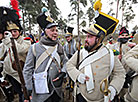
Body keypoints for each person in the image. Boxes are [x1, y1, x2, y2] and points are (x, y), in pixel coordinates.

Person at [66, 9, 126, 102]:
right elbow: (69, 65)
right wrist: (78, 76)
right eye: (86, 36)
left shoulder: (109, 54)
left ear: (98, 39)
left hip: (101, 99)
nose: (86, 39)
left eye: (89, 37)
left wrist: (113, 88)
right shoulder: (80, 53)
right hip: (81, 96)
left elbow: (120, 73)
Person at [23, 10, 68, 102]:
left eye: (56, 30)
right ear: (45, 32)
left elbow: (66, 61)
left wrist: (63, 72)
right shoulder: (34, 48)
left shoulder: (59, 46)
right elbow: (27, 69)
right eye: (52, 30)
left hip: (56, 88)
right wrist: (29, 88)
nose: (55, 33)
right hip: (40, 91)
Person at [0, 6, 31, 102]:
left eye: (15, 31)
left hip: (21, 75)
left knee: (24, 95)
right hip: (9, 75)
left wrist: (9, 41)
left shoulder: (26, 41)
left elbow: (20, 50)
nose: (12, 34)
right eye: (10, 31)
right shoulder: (5, 42)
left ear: (20, 32)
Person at [63, 26, 77, 92]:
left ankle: (73, 84)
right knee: (68, 73)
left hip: (75, 61)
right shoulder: (65, 45)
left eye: (68, 37)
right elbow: (64, 53)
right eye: (66, 37)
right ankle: (69, 83)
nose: (67, 38)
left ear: (71, 36)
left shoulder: (75, 44)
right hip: (68, 60)